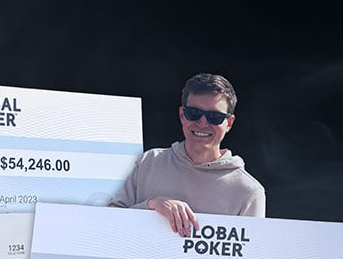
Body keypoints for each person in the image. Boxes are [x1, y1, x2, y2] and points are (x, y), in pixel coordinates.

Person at [109, 73, 265, 236]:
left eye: (214, 117)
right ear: (182, 115)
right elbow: (106, 222)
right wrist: (152, 204)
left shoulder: (248, 192)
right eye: (193, 113)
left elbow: (250, 255)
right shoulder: (149, 162)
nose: (203, 123)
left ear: (229, 123)